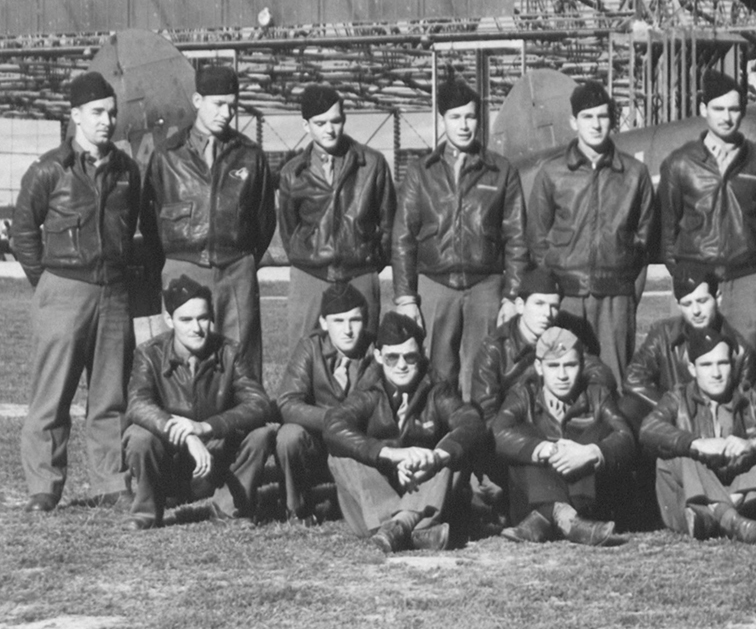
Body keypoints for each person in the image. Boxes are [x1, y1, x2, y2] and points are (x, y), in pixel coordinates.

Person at [16, 72, 145, 513]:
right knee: (51, 393)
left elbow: (131, 230)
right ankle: (44, 486)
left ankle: (110, 481)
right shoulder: (50, 169)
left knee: (110, 394)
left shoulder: (128, 171)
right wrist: (49, 283)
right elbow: (22, 233)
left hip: (113, 293)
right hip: (64, 289)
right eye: (97, 113)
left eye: (112, 113)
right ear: (74, 117)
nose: (107, 121)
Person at [393, 77, 528, 398]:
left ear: (479, 120)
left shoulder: (501, 170)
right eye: (455, 117)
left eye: (470, 117)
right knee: (436, 373)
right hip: (435, 287)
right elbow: (402, 238)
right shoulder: (420, 172)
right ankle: (437, 441)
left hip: (485, 288)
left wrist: (512, 295)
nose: (464, 125)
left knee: (481, 373)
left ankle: (477, 441)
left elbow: (517, 237)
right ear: (443, 120)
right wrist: (406, 297)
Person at [136, 62, 274, 368]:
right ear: (198, 101)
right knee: (184, 356)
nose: (226, 113)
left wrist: (242, 259)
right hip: (183, 268)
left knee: (240, 357)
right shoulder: (167, 156)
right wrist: (173, 261)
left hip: (236, 271)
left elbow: (265, 220)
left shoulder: (250, 155)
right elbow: (150, 219)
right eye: (219, 105)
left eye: (232, 106)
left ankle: (244, 416)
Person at [524, 80, 658, 387]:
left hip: (615, 298)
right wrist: (556, 285)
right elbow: (537, 237)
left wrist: (625, 289)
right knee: (564, 378)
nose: (596, 124)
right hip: (566, 296)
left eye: (602, 116)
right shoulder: (552, 172)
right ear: (574, 122)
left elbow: (644, 238)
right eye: (587, 116)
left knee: (613, 383)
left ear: (612, 119)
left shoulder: (635, 174)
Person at [122, 276, 277, 529]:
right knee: (139, 436)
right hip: (170, 463)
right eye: (186, 320)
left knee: (261, 434)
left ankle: (229, 509)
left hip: (216, 459)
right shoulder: (149, 354)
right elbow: (138, 404)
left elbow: (258, 403)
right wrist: (187, 435)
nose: (197, 328)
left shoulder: (230, 352)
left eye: (203, 318)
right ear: (169, 320)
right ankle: (146, 511)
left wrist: (206, 427)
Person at [325, 312, 487, 553]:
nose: (401, 365)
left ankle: (398, 528)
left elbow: (471, 422)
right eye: (392, 357)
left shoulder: (435, 388)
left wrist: (435, 457)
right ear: (378, 356)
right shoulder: (368, 389)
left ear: (420, 355)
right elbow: (333, 425)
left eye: (409, 357)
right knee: (340, 453)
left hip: (423, 486)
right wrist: (391, 455)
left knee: (452, 449)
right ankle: (413, 531)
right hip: (376, 494)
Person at [657, 74, 756, 361]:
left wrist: (752, 270)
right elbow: (667, 229)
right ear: (704, 110)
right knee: (690, 362)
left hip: (744, 279)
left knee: (748, 359)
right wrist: (685, 276)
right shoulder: (679, 163)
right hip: (695, 279)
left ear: (744, 111)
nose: (727, 117)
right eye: (718, 109)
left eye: (734, 109)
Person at [639, 328, 756, 543]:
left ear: (733, 365)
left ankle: (718, 513)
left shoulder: (748, 397)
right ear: (692, 369)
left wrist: (752, 443)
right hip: (689, 503)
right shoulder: (678, 398)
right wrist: (696, 443)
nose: (716, 373)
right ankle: (730, 518)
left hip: (742, 496)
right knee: (678, 450)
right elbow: (648, 428)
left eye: (722, 363)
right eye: (706, 365)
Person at [274, 84, 395, 352]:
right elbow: (288, 227)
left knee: (363, 354)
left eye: (336, 121)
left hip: (360, 273)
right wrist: (307, 254)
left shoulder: (372, 164)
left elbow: (389, 223)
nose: (329, 129)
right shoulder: (292, 173)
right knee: (304, 353)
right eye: (320, 123)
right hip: (310, 275)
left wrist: (369, 259)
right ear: (306, 126)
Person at [492, 324, 637, 546]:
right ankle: (565, 518)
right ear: (539, 367)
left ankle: (549, 519)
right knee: (523, 433)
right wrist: (545, 449)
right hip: (532, 499)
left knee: (599, 430)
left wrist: (590, 452)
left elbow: (625, 437)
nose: (562, 375)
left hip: (586, 499)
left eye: (570, 365)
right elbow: (498, 433)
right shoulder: (524, 394)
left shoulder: (596, 394)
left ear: (582, 365)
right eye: (553, 366)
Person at [274, 281, 374, 522]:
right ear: (323, 323)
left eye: (355, 320)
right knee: (289, 436)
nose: (347, 330)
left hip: (358, 442)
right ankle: (296, 507)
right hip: (318, 442)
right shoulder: (310, 347)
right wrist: (333, 420)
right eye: (338, 321)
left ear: (365, 321)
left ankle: (366, 501)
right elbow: (287, 402)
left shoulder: (376, 350)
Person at [622, 271, 756, 425]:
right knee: (627, 407)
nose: (696, 311)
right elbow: (633, 379)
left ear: (718, 298)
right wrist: (675, 409)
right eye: (687, 304)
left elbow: (746, 406)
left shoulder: (740, 351)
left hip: (718, 428)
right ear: (678, 304)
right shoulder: (662, 335)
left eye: (702, 301)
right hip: (669, 425)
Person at [470, 268, 574, 424]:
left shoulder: (562, 338)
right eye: (539, 303)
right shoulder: (495, 348)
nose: (547, 313)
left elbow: (596, 373)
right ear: (520, 306)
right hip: (510, 435)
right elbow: (486, 414)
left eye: (554, 306)